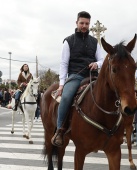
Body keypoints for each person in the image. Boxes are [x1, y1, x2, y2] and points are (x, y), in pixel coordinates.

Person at [51, 11, 103, 147]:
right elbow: (64, 64)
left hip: (92, 76)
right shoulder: (68, 41)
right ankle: (60, 130)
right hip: (76, 75)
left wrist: (97, 64)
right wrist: (62, 85)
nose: (84, 26)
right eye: (82, 23)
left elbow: (103, 59)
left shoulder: (94, 42)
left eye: (86, 23)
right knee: (67, 97)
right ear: (76, 23)